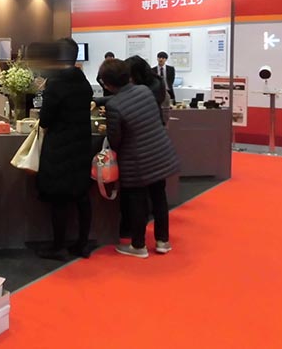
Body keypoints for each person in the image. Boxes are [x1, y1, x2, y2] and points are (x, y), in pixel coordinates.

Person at [99, 59, 180, 259]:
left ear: (108, 84)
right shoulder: (144, 91)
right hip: (159, 153)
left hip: (136, 160)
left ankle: (138, 245)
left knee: (137, 201)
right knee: (159, 197)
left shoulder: (114, 105)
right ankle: (163, 241)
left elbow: (115, 140)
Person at [36, 38, 94, 261]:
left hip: (60, 147)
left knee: (58, 198)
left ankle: (58, 246)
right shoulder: (83, 82)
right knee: (82, 196)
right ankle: (83, 244)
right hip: (82, 145)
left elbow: (45, 120)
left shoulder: (56, 83)